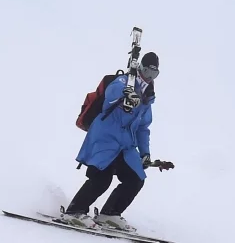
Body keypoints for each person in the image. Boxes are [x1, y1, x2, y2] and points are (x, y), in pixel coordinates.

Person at [60, 52, 160, 231]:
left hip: (126, 144)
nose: (149, 76)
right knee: (101, 178)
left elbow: (143, 128)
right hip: (105, 137)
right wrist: (127, 94)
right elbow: (111, 93)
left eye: (154, 73)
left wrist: (145, 153)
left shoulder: (148, 96)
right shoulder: (124, 81)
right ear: (140, 68)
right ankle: (74, 211)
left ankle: (110, 213)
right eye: (147, 71)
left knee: (136, 178)